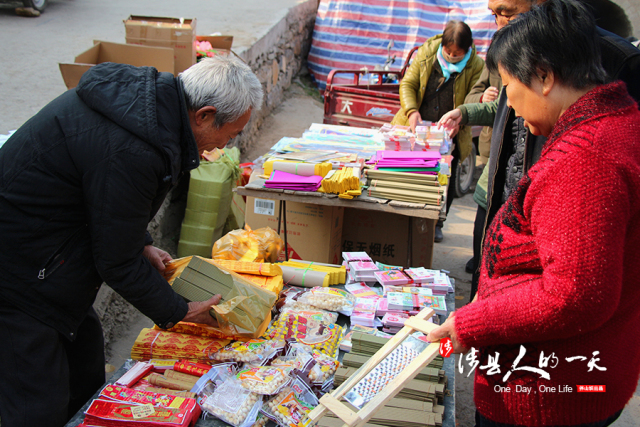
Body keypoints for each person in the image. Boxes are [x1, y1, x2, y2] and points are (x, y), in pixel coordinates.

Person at [0, 55, 263, 427]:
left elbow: (107, 199)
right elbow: (116, 261)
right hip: (20, 273)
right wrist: (180, 311)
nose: (224, 145)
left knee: (87, 372)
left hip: (55, 257)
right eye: (230, 135)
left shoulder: (150, 113)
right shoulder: (136, 146)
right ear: (203, 115)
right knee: (36, 404)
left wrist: (140, 241)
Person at [428, 0, 640, 425]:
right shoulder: (610, 121)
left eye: (509, 85)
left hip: (549, 394)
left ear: (544, 75)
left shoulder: (586, 161)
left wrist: (469, 325)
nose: (509, 101)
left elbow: (576, 295)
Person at [438, 0, 640, 301]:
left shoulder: (588, 152)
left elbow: (572, 293)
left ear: (546, 75)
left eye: (506, 12)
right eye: (493, 14)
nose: (500, 23)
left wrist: (475, 322)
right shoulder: (523, 57)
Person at [390, 20, 484, 243]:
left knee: (445, 177)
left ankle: (437, 222)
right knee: (411, 172)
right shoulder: (427, 53)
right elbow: (408, 84)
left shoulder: (476, 66)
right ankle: (405, 218)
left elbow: (472, 96)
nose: (452, 56)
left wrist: (460, 118)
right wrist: (412, 111)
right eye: (448, 51)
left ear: (468, 49)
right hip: (418, 125)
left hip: (450, 131)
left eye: (457, 54)